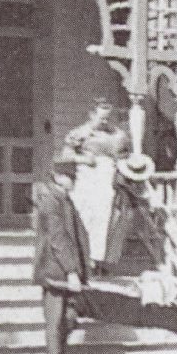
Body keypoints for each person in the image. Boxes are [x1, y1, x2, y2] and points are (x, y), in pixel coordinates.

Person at [32, 158, 89, 354]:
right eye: (69, 176)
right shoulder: (49, 200)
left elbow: (76, 236)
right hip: (55, 274)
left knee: (69, 319)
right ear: (56, 176)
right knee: (55, 324)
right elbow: (57, 238)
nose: (73, 181)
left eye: (74, 176)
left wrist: (85, 266)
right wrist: (71, 271)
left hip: (68, 273)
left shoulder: (65, 199)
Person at [63, 98, 130, 274]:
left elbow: (124, 157)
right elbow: (66, 155)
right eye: (102, 118)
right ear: (92, 115)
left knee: (105, 219)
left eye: (108, 118)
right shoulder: (80, 133)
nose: (105, 122)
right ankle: (83, 259)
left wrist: (121, 171)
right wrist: (83, 159)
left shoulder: (117, 135)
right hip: (87, 178)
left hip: (107, 179)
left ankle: (99, 261)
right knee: (85, 217)